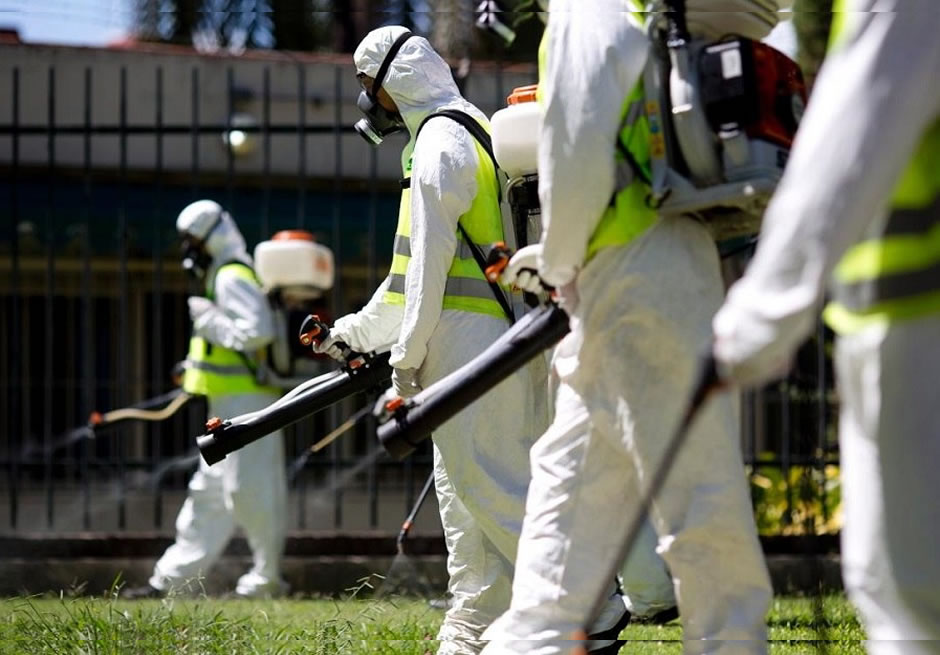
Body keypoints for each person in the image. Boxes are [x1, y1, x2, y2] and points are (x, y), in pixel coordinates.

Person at [312, 26, 630, 654]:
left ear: (391, 83)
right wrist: (350, 335)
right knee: (468, 506)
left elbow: (431, 271)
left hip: (466, 344)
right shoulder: (461, 134)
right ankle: (472, 630)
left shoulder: (440, 142)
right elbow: (407, 281)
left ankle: (596, 610)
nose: (367, 103)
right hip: (477, 337)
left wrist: (406, 359)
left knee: (495, 488)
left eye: (366, 87)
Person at [481, 2, 778, 652]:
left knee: (697, 492)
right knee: (569, 481)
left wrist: (558, 257)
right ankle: (533, 638)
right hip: (644, 266)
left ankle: (730, 641)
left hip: (637, 277)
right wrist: (561, 259)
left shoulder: (586, 11)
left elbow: (579, 141)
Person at [711, 3, 939, 652]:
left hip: (919, 329)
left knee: (911, 594)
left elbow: (850, 136)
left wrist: (758, 321)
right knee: (893, 586)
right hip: (892, 320)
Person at [123, 200, 288, 599]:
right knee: (209, 496)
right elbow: (227, 344)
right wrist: (193, 363)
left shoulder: (232, 276)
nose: (188, 250)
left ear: (213, 237)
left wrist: (207, 319)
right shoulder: (222, 274)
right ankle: (170, 581)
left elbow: (255, 332)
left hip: (248, 405)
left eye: (193, 241)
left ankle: (266, 580)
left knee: (252, 492)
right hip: (226, 404)